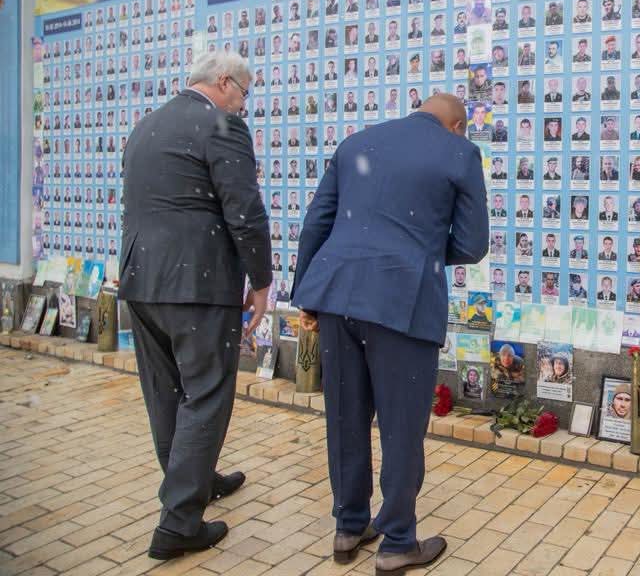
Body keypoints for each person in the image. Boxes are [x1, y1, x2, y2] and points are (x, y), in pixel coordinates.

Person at [291, 93, 488, 570]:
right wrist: (417, 252)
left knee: (345, 416)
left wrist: (307, 296)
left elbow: (317, 222)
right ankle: (398, 542)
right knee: (401, 427)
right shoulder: (460, 152)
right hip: (403, 300)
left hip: (336, 297)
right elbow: (472, 243)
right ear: (457, 125)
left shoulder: (357, 142)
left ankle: (349, 526)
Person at [120, 52, 269, 560]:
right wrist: (262, 282)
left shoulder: (147, 125)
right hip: (197, 284)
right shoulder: (223, 126)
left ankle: (195, 480)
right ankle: (179, 523)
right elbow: (244, 211)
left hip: (142, 281)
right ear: (224, 82)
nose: (244, 107)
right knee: (206, 394)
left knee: (166, 394)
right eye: (245, 94)